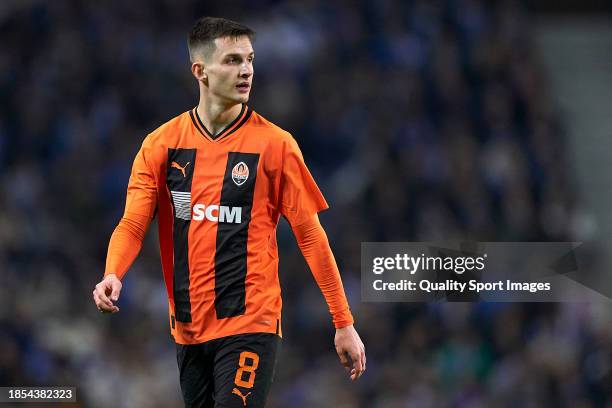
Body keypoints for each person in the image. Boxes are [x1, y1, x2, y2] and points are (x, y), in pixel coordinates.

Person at [92, 16, 365, 408]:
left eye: (250, 59)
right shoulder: (161, 145)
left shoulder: (275, 145)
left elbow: (310, 235)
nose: (247, 70)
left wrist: (343, 322)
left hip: (250, 323)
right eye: (234, 60)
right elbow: (133, 223)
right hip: (187, 329)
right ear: (200, 71)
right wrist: (113, 273)